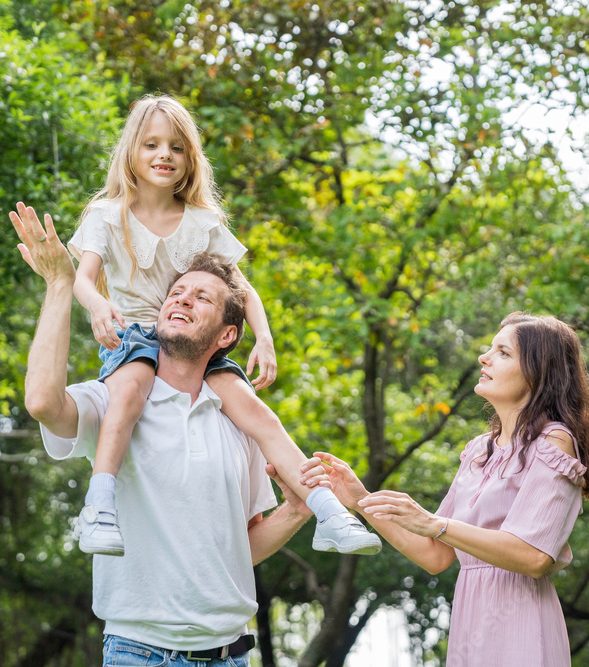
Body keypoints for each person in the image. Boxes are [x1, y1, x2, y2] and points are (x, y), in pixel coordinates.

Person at [55, 93, 378, 557]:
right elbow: (83, 280)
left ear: (190, 159)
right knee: (126, 393)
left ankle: (328, 511)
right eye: (151, 145)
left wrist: (264, 338)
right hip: (139, 334)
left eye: (176, 147)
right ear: (131, 152)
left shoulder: (202, 221)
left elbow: (243, 291)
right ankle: (99, 507)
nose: (163, 155)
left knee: (257, 414)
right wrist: (99, 308)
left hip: (196, 340)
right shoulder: (108, 215)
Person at [11, 206, 332, 664]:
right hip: (137, 653)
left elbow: (240, 546)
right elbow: (43, 403)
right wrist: (61, 284)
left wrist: (297, 512)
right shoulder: (115, 400)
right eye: (176, 292)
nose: (181, 299)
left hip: (230, 655)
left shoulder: (238, 422)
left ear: (226, 335)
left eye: (201, 297)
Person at [300, 313, 589, 666]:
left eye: (503, 353)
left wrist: (436, 524)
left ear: (539, 372)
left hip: (521, 621)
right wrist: (360, 500)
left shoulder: (554, 442)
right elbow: (435, 555)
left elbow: (534, 557)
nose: (484, 357)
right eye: (490, 348)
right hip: (470, 622)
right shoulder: (479, 450)